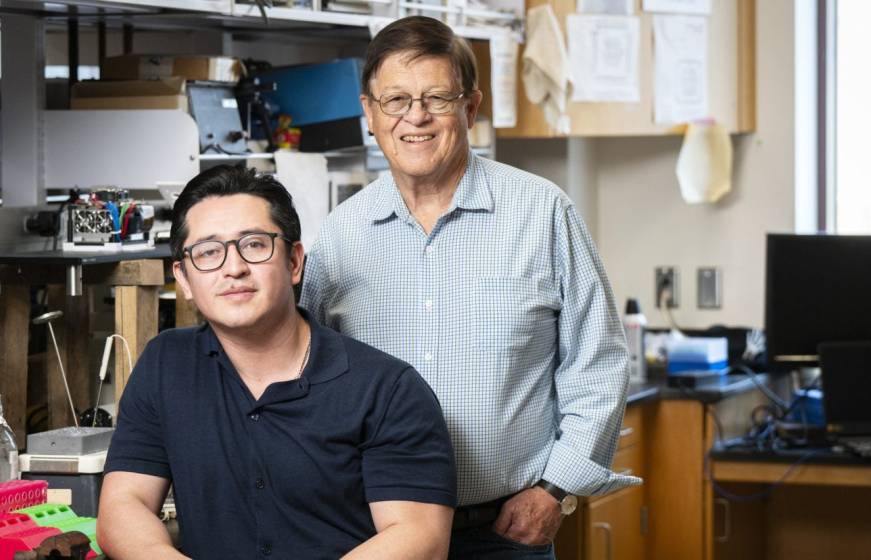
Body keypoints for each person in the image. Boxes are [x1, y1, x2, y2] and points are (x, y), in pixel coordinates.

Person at [300, 15, 641, 559]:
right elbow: (305, 373)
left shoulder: (542, 212)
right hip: (375, 534)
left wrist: (555, 489)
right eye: (396, 100)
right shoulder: (343, 233)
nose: (416, 117)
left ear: (471, 107)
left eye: (437, 97)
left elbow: (597, 363)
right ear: (369, 112)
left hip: (503, 534)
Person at [97, 165, 457, 560]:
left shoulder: (388, 390)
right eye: (208, 252)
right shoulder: (166, 364)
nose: (233, 268)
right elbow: (123, 506)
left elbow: (419, 537)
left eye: (254, 244)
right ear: (183, 278)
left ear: (294, 261)